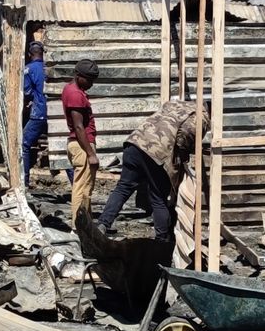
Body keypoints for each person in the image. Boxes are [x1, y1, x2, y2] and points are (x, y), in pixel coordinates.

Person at [98, 97, 201, 241]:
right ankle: (162, 240)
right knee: (158, 198)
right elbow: (184, 138)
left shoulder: (174, 103)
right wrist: (181, 160)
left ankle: (103, 223)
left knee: (123, 188)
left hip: (134, 143)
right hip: (155, 152)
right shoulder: (201, 115)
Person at [61, 60, 100, 226]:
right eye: (89, 80)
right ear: (78, 76)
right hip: (82, 146)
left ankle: (86, 223)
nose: (91, 84)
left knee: (86, 188)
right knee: (82, 187)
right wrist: (91, 154)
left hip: (80, 144)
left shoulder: (72, 89)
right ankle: (79, 226)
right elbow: (78, 126)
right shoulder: (76, 94)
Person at [19, 41, 49, 180]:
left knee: (23, 145)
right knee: (59, 146)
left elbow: (27, 91)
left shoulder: (28, 69)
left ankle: (23, 182)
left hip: (39, 113)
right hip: (54, 113)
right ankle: (75, 184)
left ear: (30, 55)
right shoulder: (49, 68)